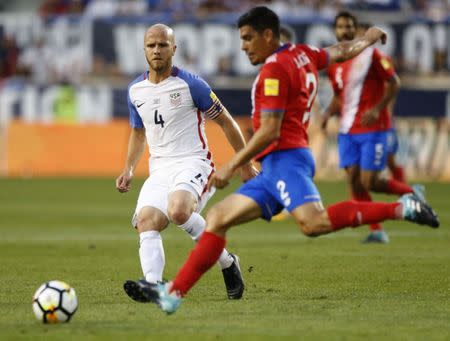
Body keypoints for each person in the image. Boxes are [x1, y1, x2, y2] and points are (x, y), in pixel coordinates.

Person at [125, 6, 439, 314]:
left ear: (268, 35)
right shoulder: (304, 54)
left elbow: (270, 132)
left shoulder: (274, 70)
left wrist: (234, 164)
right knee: (219, 218)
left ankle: (402, 208)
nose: (243, 46)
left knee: (314, 223)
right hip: (276, 165)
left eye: (248, 38)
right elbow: (342, 50)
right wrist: (368, 37)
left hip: (286, 159)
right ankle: (171, 294)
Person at [117, 23, 258, 301]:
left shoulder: (192, 84)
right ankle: (154, 285)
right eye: (151, 45)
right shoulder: (136, 89)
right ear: (144, 49)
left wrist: (245, 163)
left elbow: (228, 123)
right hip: (160, 169)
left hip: (195, 163)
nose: (156, 50)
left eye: (162, 45)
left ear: (174, 48)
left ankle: (227, 262)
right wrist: (129, 168)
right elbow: (138, 131)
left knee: (179, 210)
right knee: (146, 220)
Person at [321, 12, 421, 244]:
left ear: (355, 30)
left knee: (370, 181)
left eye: (349, 27)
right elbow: (339, 96)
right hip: (347, 130)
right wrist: (327, 113)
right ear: (335, 31)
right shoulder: (335, 63)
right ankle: (376, 230)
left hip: (372, 127)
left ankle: (412, 194)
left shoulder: (370, 56)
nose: (344, 31)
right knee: (354, 181)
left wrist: (378, 109)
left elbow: (394, 82)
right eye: (340, 27)